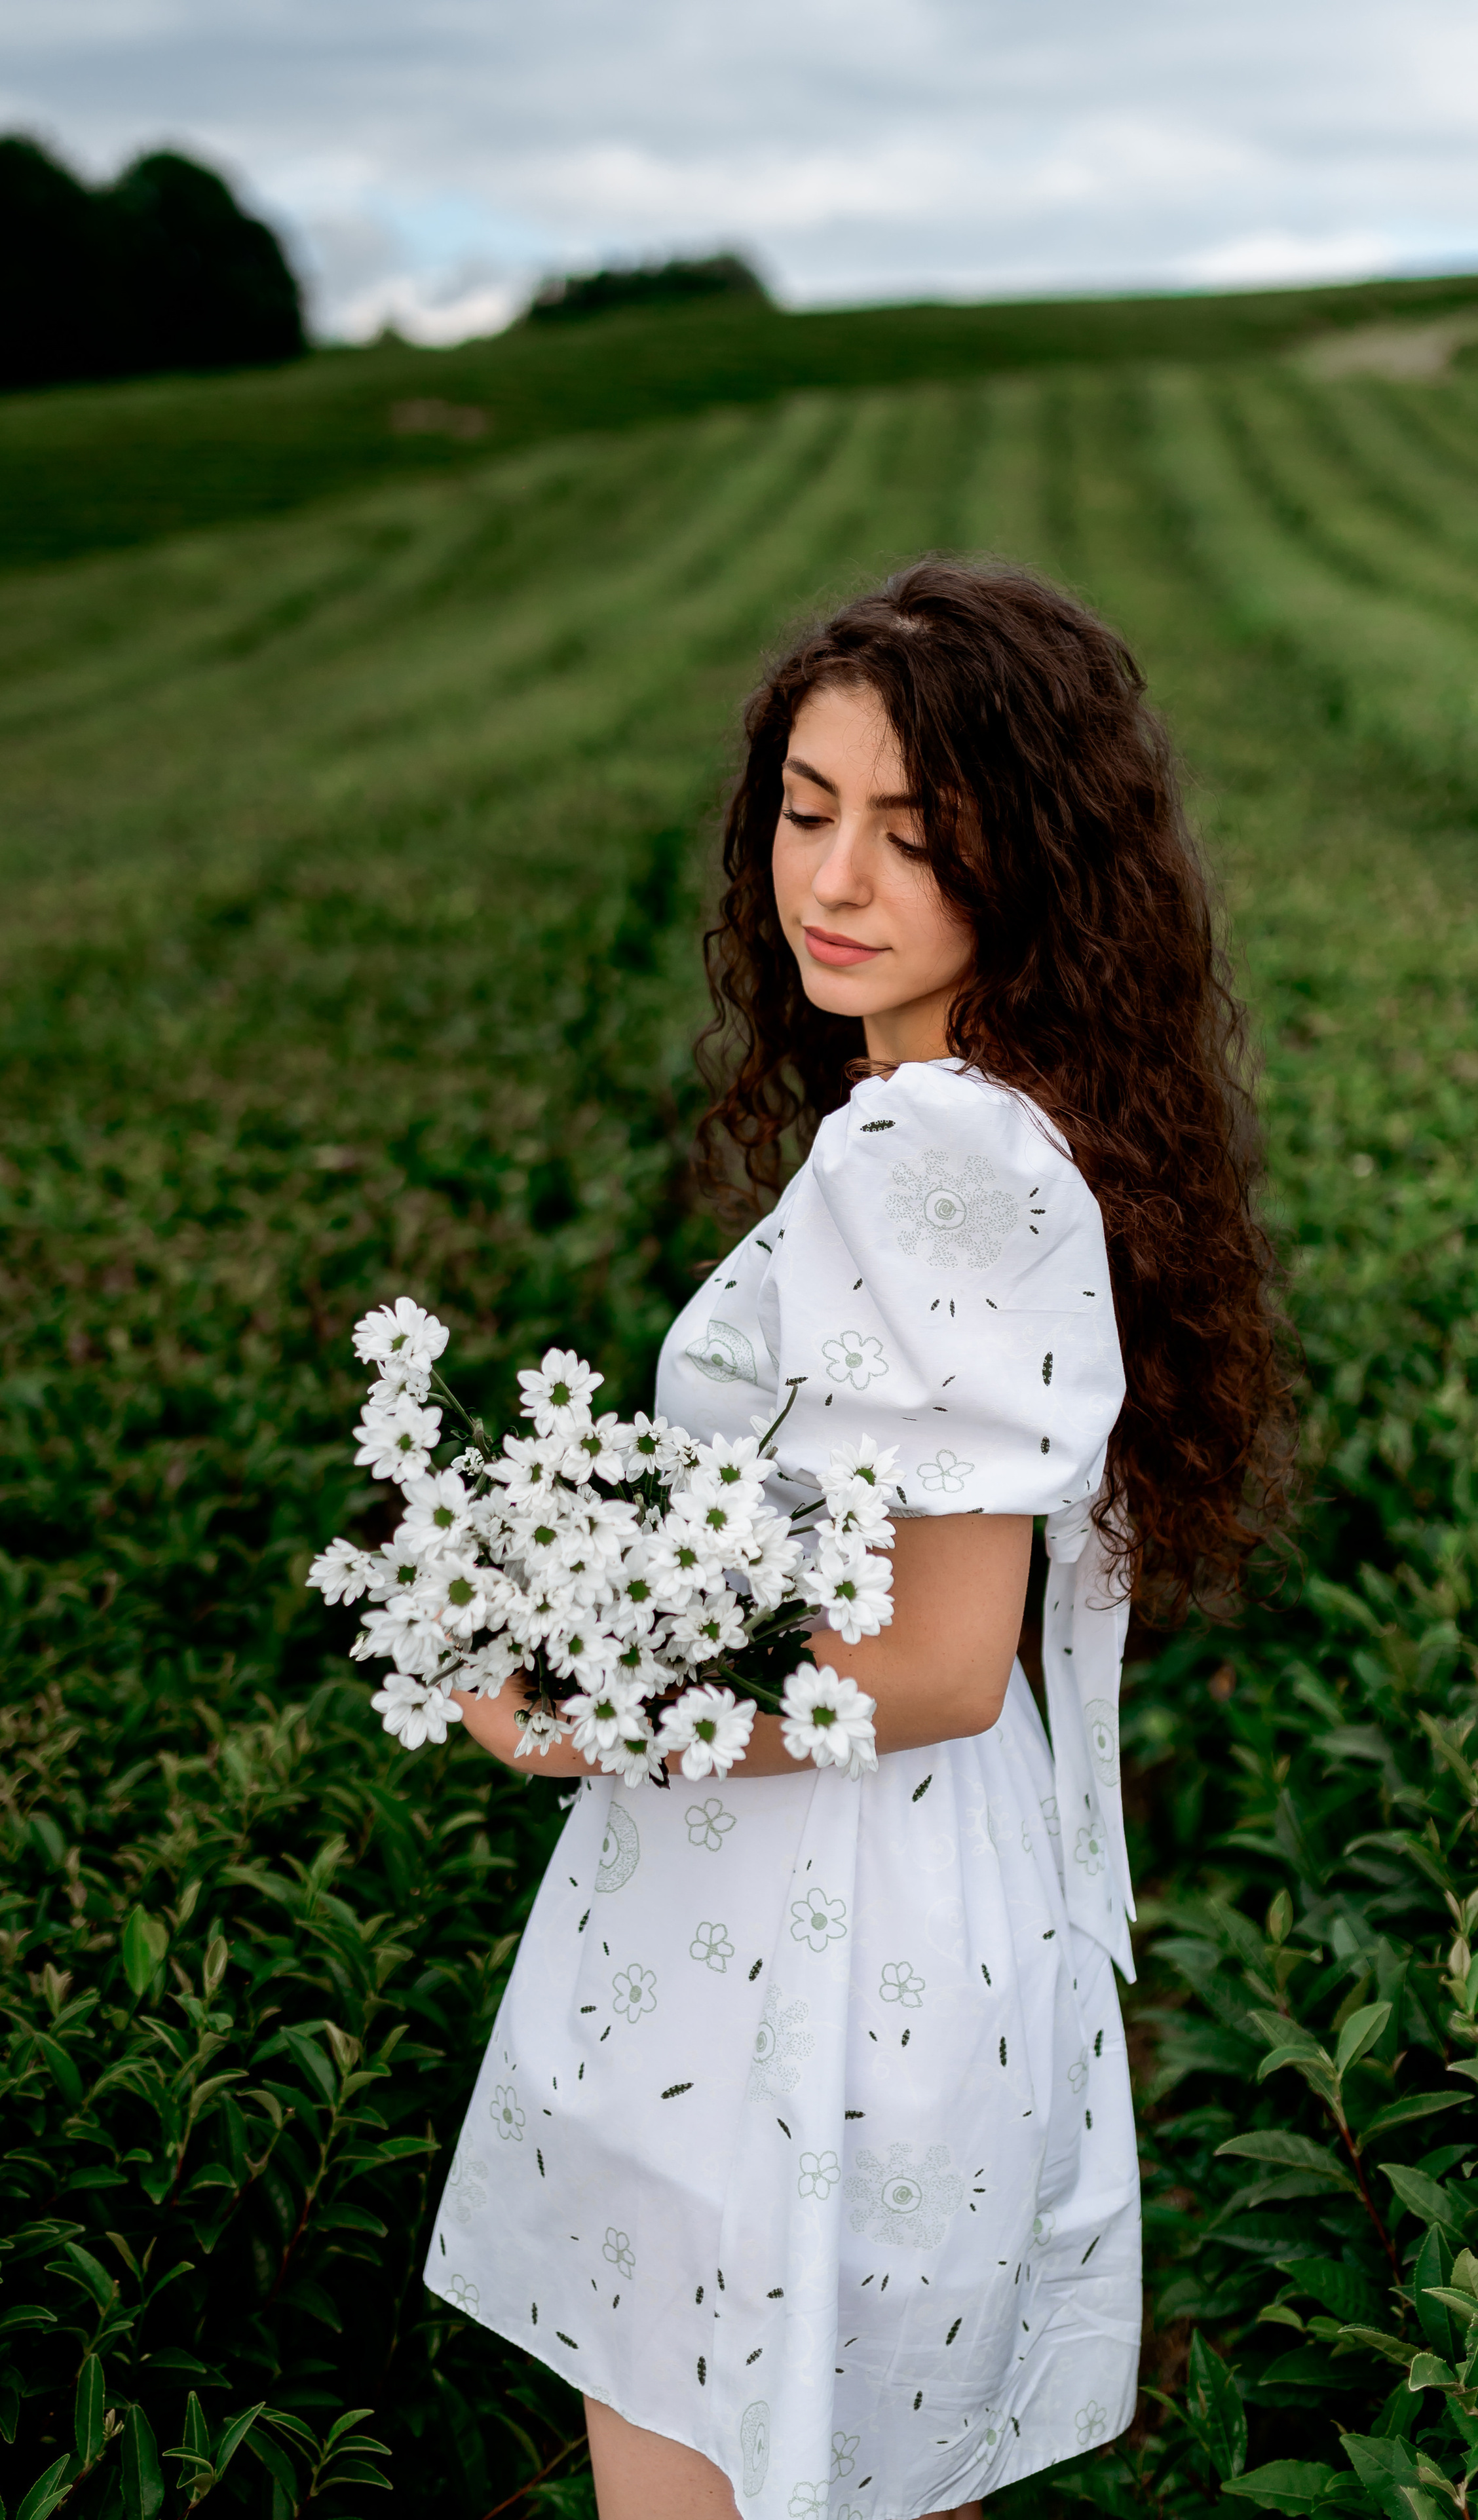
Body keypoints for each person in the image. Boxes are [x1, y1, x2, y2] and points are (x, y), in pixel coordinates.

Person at [427, 559, 1293, 2519]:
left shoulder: (930, 1153)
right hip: (911, 1919)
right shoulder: (1010, 1122)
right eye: (809, 812)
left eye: (915, 836)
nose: (835, 879)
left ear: (1034, 863)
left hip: (808, 1956)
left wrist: (560, 1708)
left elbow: (935, 1660)